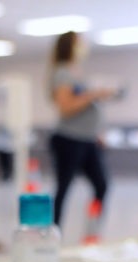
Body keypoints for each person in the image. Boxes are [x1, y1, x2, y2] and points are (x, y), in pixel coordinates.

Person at [48, 31, 116, 229]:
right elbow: (66, 108)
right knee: (63, 189)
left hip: (88, 139)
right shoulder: (62, 73)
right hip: (69, 139)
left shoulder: (76, 72)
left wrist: (97, 133)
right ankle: (54, 232)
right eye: (80, 44)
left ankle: (92, 230)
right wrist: (93, 95)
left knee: (101, 185)